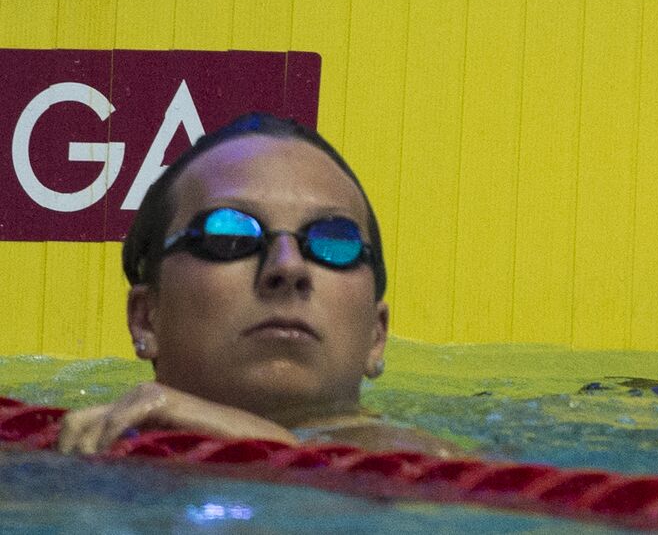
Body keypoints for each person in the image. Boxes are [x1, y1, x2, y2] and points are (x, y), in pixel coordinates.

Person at [57, 114, 459, 456]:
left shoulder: (445, 470)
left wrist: (260, 445)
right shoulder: (65, 447)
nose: (288, 266)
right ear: (145, 318)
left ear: (377, 335)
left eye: (334, 240)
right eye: (229, 234)